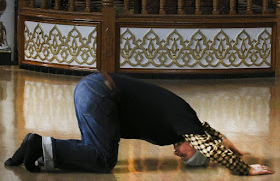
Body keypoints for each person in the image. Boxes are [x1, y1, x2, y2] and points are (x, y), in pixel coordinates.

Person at [5, 72, 275, 175]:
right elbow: (211, 145)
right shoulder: (186, 125)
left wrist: (237, 150)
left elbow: (214, 137)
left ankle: (36, 146)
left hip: (94, 89)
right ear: (195, 146)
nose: (178, 154)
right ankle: (39, 146)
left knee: (95, 150)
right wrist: (244, 169)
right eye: (186, 156)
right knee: (103, 160)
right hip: (101, 94)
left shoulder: (186, 124)